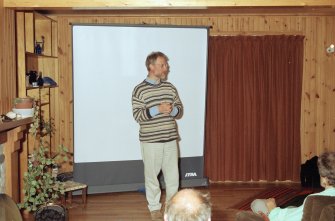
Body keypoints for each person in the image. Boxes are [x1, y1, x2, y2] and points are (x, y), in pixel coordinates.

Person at [132, 51, 183, 220]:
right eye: (163, 64)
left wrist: (172, 110)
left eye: (166, 64)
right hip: (151, 141)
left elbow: (179, 110)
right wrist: (158, 110)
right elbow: (138, 116)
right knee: (152, 177)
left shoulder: (170, 87)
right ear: (151, 67)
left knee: (173, 177)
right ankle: (154, 209)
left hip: (170, 139)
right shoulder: (139, 90)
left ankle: (172, 208)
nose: (166, 67)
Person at [250, 151, 335, 221]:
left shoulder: (314, 200)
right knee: (291, 207)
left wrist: (272, 209)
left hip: (281, 217)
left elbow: (284, 219)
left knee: (257, 204)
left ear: (324, 179)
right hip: (295, 212)